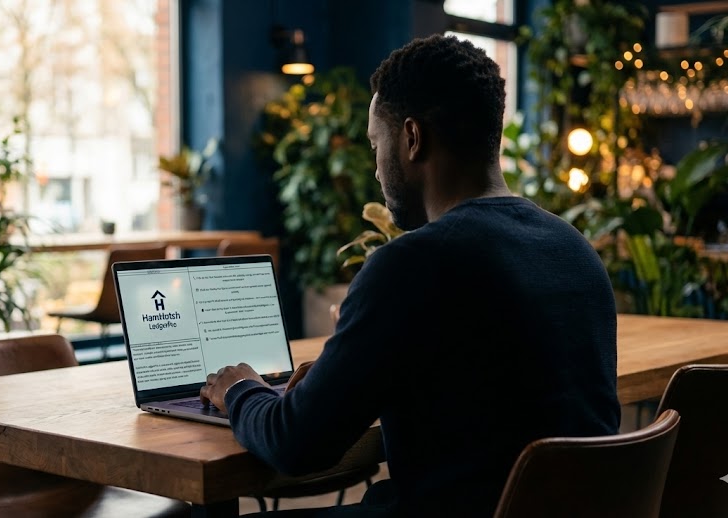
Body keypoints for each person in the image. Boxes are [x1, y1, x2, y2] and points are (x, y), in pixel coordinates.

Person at [200, 34, 620, 517]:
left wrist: (239, 388)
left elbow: (296, 445)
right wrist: (353, 374)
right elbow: (486, 388)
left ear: (412, 138)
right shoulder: (574, 248)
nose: (376, 170)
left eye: (377, 145)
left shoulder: (412, 264)